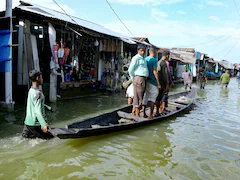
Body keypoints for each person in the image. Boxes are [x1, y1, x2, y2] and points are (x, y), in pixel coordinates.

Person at [22, 70, 53, 139]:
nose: (42, 79)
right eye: (41, 78)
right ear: (37, 78)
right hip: (36, 125)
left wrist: (48, 107)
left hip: (27, 124)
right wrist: (43, 124)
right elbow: (37, 111)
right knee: (51, 139)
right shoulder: (38, 93)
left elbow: (33, 104)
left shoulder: (31, 90)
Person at [128, 44, 149, 116]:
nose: (143, 52)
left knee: (140, 96)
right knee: (138, 97)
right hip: (138, 78)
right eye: (141, 51)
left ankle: (136, 113)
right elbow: (130, 69)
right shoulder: (136, 58)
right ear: (138, 51)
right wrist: (132, 77)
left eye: (144, 51)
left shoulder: (143, 58)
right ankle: (137, 114)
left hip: (142, 79)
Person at [142, 47, 161, 119]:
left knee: (145, 96)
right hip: (152, 81)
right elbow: (154, 71)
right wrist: (158, 83)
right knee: (153, 98)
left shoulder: (145, 59)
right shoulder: (154, 60)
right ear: (154, 52)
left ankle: (143, 113)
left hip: (146, 80)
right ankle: (150, 115)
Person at [156, 51, 170, 116]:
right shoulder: (163, 63)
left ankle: (157, 111)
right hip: (162, 83)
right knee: (160, 98)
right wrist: (167, 85)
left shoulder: (158, 62)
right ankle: (159, 111)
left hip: (158, 83)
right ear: (167, 56)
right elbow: (165, 75)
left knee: (158, 98)